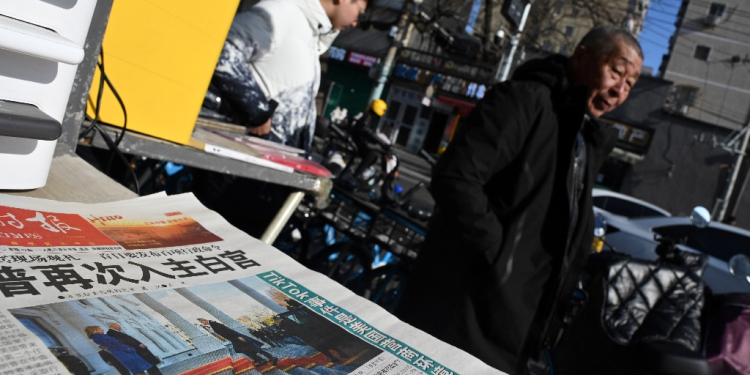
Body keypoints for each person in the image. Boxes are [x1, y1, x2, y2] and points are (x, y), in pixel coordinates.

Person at [394, 26, 643, 374]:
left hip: (514, 325)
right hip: (465, 311)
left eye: (630, 84)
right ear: (582, 57)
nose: (619, 90)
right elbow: (458, 178)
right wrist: (498, 261)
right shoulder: (523, 100)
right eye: (616, 71)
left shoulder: (584, 138)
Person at [192, 0, 367, 238]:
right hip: (236, 175)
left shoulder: (309, 35)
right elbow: (224, 49)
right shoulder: (282, 12)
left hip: (259, 180)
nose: (357, 22)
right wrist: (256, 111)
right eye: (360, 11)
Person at [197, 318, 278, 366]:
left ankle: (267, 358)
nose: (202, 322)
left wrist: (238, 337)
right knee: (249, 349)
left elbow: (227, 330)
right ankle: (264, 359)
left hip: (236, 338)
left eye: (202, 321)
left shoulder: (214, 324)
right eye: (201, 322)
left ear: (205, 320)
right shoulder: (212, 325)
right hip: (234, 338)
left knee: (251, 348)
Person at [85, 326, 153, 375]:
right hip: (124, 353)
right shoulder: (97, 337)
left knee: (139, 369)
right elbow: (112, 344)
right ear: (94, 331)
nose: (102, 329)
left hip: (125, 352)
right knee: (138, 369)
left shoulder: (101, 336)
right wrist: (127, 348)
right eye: (99, 328)